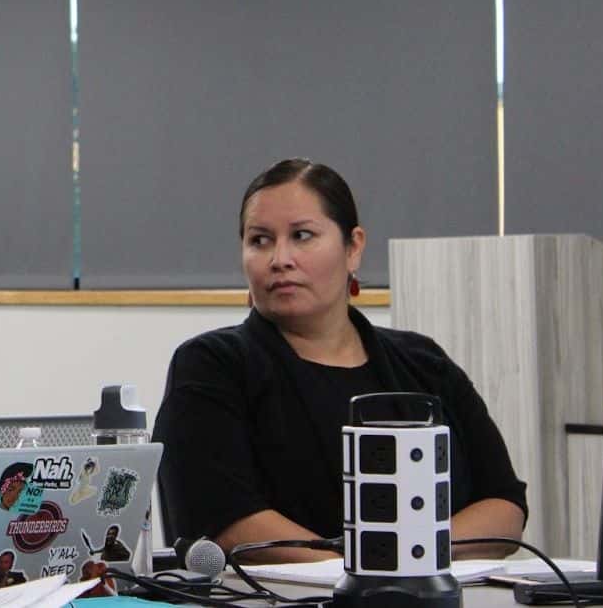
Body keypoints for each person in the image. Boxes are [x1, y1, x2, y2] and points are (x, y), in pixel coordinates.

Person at [153, 158, 527, 562]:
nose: (280, 258)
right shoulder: (211, 366)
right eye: (259, 240)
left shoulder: (424, 364)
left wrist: (406, 558)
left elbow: (504, 505)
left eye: (302, 235)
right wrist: (359, 575)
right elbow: (224, 521)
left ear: (353, 248)